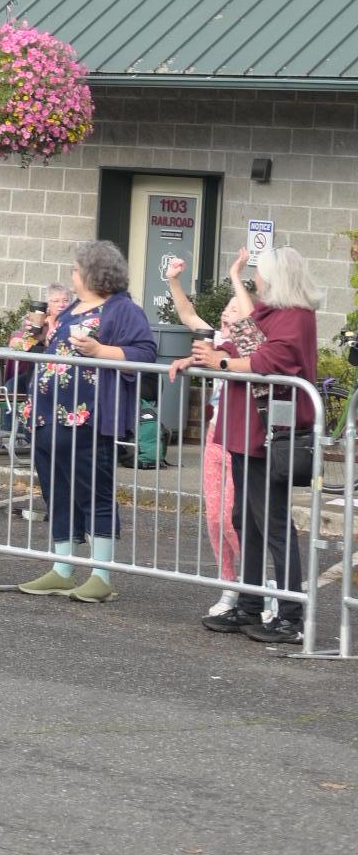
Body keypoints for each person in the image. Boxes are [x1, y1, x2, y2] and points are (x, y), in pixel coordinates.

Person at [193, 244, 320, 648]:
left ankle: (290, 616)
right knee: (244, 519)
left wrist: (219, 362)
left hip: (269, 432)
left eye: (260, 274)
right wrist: (206, 357)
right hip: (248, 430)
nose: (257, 280)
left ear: (275, 277)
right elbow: (241, 346)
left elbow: (269, 361)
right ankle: (249, 604)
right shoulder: (271, 311)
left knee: (274, 523)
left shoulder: (296, 316)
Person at [18, 240, 156, 604]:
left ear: (95, 273)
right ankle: (62, 567)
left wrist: (100, 351)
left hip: (89, 416)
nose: (72, 275)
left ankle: (101, 574)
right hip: (49, 414)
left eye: (77, 270)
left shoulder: (122, 309)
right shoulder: (73, 307)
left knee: (94, 491)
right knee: (57, 490)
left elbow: (145, 353)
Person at [164, 249, 263, 618]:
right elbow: (189, 316)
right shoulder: (218, 340)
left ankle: (256, 584)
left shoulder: (253, 344)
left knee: (234, 517)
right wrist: (173, 280)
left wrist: (237, 274)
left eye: (233, 309)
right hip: (215, 436)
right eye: (225, 310)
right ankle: (229, 584)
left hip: (242, 437)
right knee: (214, 517)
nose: (226, 314)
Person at [3, 283, 72, 455]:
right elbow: (16, 343)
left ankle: (31, 435)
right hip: (37, 374)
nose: (61, 304)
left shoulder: (71, 323)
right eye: (56, 301)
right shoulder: (39, 322)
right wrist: (32, 337)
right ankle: (10, 434)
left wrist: (45, 339)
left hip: (62, 377)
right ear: (48, 305)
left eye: (65, 300)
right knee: (11, 385)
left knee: (32, 385)